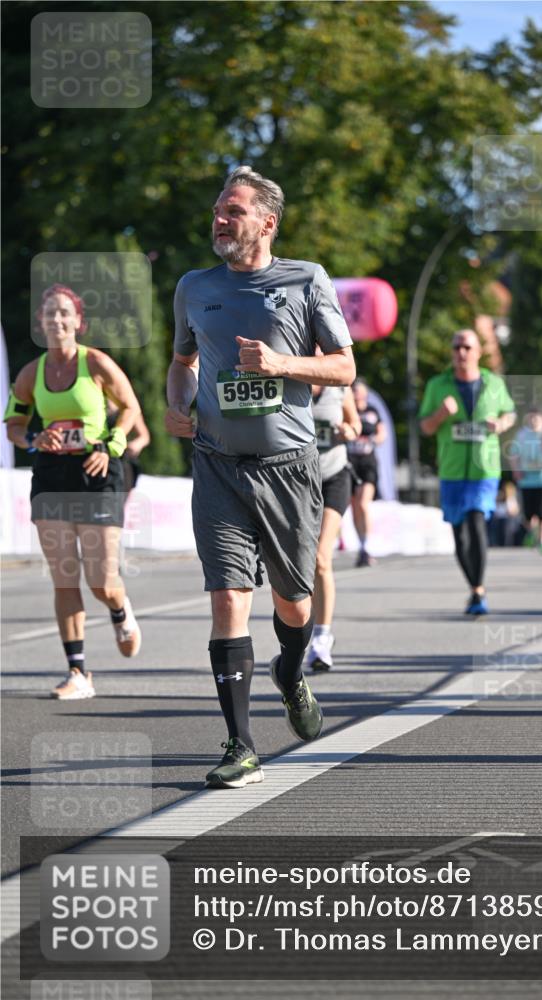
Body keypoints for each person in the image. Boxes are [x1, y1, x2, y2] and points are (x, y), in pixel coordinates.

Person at [165, 166, 355, 789]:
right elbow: (183, 362)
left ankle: (291, 672)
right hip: (217, 464)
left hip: (289, 470)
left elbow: (344, 368)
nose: (220, 220)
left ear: (267, 222)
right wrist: (177, 401)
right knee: (227, 598)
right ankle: (240, 745)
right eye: (218, 211)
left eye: (234, 211)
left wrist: (280, 363)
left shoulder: (306, 279)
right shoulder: (194, 286)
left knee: (294, 604)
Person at [3, 284, 143, 699]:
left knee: (101, 582)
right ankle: (78, 672)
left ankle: (119, 607)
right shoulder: (31, 373)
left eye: (65, 312)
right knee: (64, 578)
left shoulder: (95, 362)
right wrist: (33, 439)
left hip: (96, 472)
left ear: (78, 321)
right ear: (40, 322)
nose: (57, 319)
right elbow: (13, 425)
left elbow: (131, 408)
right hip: (51, 476)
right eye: (50, 313)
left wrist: (111, 445)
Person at [419, 329, 515, 615]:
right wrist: (440, 414)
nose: (461, 352)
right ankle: (474, 588)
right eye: (456, 347)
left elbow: (510, 412)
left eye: (467, 347)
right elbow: (425, 427)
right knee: (460, 535)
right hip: (451, 469)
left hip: (484, 468)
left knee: (476, 521)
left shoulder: (494, 383)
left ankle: (478, 590)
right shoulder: (438, 385)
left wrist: (501, 423)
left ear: (478, 352)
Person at [307, 379, 361, 671]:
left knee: (321, 557)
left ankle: (321, 638)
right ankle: (302, 630)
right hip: (298, 481)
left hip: (335, 477)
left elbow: (355, 424)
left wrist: (349, 431)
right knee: (299, 563)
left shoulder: (340, 387)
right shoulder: (288, 379)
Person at [347, 378, 386, 566]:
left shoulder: (372, 411)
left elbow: (382, 433)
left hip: (367, 462)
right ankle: (362, 546)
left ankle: (368, 546)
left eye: (359, 390)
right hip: (350, 461)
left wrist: (374, 440)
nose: (356, 393)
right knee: (355, 507)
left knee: (363, 503)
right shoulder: (347, 410)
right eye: (353, 390)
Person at [509, 407, 542, 555]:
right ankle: (534, 533)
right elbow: (513, 454)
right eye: (531, 417)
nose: (534, 421)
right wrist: (516, 470)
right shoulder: (521, 435)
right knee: (528, 514)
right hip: (526, 481)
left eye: (537, 418)